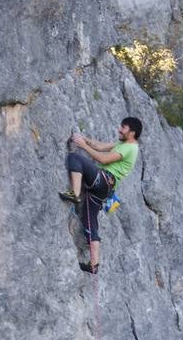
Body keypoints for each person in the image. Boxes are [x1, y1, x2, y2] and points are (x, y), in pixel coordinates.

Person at [59, 117, 142, 274]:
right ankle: (94, 264)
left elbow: (103, 158)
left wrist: (83, 146)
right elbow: (101, 146)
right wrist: (86, 140)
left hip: (103, 180)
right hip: (104, 188)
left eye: (123, 128)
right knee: (89, 220)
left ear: (132, 132)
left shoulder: (129, 148)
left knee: (74, 158)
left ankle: (75, 193)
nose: (119, 129)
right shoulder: (124, 144)